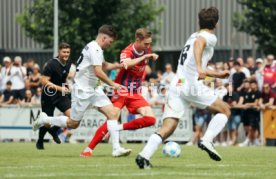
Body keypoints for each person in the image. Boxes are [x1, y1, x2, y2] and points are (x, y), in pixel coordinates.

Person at [135, 7, 231, 169]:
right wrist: (201, 68)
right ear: (216, 23)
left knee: (169, 127)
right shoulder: (208, 37)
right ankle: (207, 140)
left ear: (199, 21)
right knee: (225, 110)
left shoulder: (191, 37)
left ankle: (144, 155)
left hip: (177, 84)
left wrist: (219, 75)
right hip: (189, 84)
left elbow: (194, 64)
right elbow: (200, 47)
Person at [33, 25, 130, 156]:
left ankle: (116, 149)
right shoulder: (94, 49)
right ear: (103, 37)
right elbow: (98, 72)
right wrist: (114, 84)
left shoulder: (95, 48)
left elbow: (104, 65)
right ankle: (45, 120)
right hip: (83, 91)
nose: (110, 44)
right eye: (110, 41)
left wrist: (120, 65)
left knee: (113, 113)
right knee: (73, 124)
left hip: (94, 89)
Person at [80, 28, 159, 157]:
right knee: (113, 116)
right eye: (146, 43)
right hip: (121, 89)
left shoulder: (146, 50)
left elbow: (143, 67)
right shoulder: (127, 51)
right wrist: (145, 56)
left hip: (135, 92)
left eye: (150, 44)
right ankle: (88, 150)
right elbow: (126, 64)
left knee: (150, 119)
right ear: (137, 40)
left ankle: (117, 128)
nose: (148, 46)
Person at [35, 42, 72, 150]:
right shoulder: (51, 64)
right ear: (59, 52)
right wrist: (60, 88)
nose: (66, 54)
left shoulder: (68, 63)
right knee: (46, 121)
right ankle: (40, 140)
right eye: (64, 52)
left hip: (61, 95)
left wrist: (66, 91)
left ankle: (54, 130)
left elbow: (64, 79)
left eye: (68, 52)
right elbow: (44, 81)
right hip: (48, 95)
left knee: (72, 117)